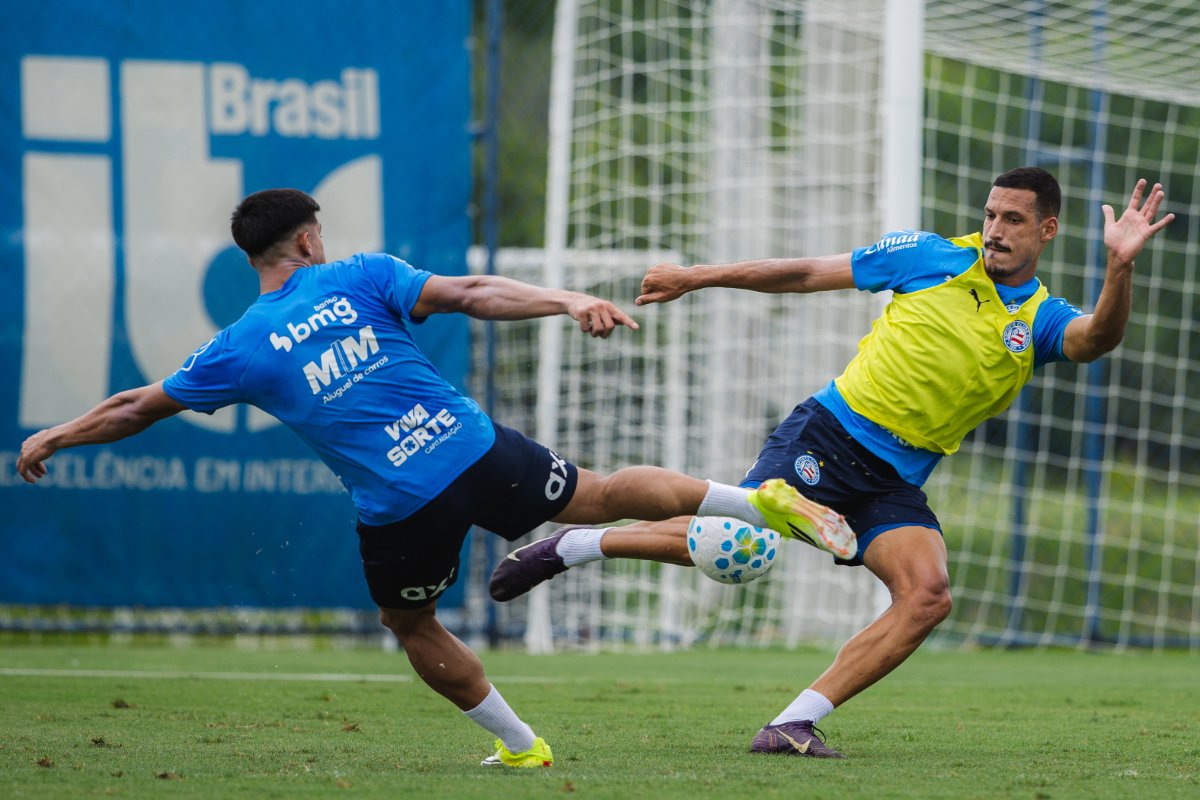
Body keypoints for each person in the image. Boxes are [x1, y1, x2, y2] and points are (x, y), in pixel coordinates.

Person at [16, 188, 856, 769]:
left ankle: (522, 744)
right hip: (473, 449)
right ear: (307, 239)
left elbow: (138, 405)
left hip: (401, 503)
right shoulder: (360, 276)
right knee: (601, 490)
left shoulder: (238, 344)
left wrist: (60, 432)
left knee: (408, 622)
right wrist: (566, 299)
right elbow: (476, 291)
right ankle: (754, 498)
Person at [487, 169, 1174, 759]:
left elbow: (1097, 338)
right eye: (991, 214)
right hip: (828, 436)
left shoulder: (1041, 318)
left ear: (1047, 231)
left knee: (929, 595)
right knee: (738, 543)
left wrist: (1120, 268)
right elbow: (807, 272)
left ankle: (792, 723)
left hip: (896, 478)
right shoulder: (929, 256)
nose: (995, 229)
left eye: (1014, 220)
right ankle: (581, 543)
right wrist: (697, 277)